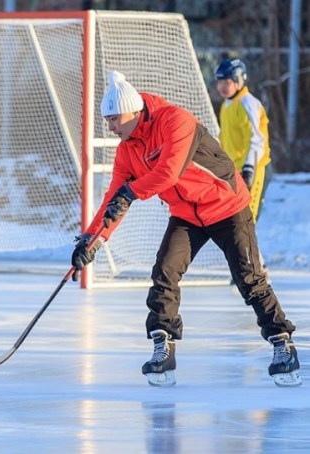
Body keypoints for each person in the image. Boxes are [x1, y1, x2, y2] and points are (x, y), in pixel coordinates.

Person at [71, 71, 300, 387]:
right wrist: (92, 239)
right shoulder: (127, 149)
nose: (110, 127)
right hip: (187, 214)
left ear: (134, 112)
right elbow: (115, 194)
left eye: (114, 119)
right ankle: (163, 347)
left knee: (249, 277)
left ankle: (282, 342)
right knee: (165, 271)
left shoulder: (176, 121)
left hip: (226, 205)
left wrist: (131, 192)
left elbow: (169, 172)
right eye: (107, 120)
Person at [215, 58, 272, 224]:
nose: (222, 87)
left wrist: (248, 170)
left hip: (253, 169)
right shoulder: (226, 105)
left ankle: (248, 250)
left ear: (239, 81)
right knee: (231, 218)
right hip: (235, 170)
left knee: (247, 218)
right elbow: (225, 138)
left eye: (227, 82)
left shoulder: (248, 104)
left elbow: (256, 140)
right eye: (219, 82)